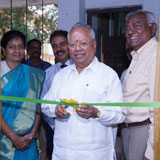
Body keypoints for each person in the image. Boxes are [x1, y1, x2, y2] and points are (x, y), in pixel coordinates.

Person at [41, 23, 126, 160]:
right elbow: (45, 105)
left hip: (94, 154)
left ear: (94, 45)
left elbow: (120, 114)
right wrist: (55, 109)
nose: (77, 49)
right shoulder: (61, 75)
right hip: (63, 153)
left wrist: (96, 112)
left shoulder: (108, 75)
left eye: (83, 43)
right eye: (73, 44)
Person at [0, 30, 45, 160]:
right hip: (3, 140)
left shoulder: (33, 75)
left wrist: (31, 135)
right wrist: (14, 138)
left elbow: (37, 106)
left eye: (20, 47)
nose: (17, 51)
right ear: (4, 50)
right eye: (12, 47)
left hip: (27, 141)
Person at [121, 10, 157, 160]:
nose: (131, 32)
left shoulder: (155, 55)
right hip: (127, 129)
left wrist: (151, 151)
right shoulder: (137, 56)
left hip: (143, 131)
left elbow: (158, 110)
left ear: (153, 28)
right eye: (127, 28)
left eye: (137, 26)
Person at [40, 30, 72, 159]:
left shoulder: (81, 69)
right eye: (54, 46)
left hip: (80, 127)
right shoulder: (48, 73)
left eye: (62, 44)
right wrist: (54, 123)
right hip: (54, 129)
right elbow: (43, 102)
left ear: (70, 45)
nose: (59, 49)